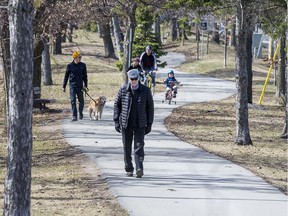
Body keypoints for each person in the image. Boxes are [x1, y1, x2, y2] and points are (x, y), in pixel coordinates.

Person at [113, 69, 154, 178]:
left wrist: (149, 123)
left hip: (140, 124)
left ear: (138, 79)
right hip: (126, 124)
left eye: (136, 79)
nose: (134, 81)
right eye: (132, 79)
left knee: (139, 147)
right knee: (127, 146)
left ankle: (139, 168)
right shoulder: (123, 90)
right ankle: (129, 168)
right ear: (129, 79)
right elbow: (117, 105)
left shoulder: (145, 90)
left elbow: (150, 108)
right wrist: (116, 120)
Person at [63, 51, 88, 121]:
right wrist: (64, 86)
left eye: (81, 57)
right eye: (79, 57)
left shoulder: (83, 65)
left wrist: (86, 85)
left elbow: (85, 76)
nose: (80, 58)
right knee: (73, 101)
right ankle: (74, 116)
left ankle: (80, 112)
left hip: (80, 86)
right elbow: (66, 77)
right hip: (72, 86)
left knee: (82, 102)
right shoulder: (69, 66)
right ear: (75, 57)